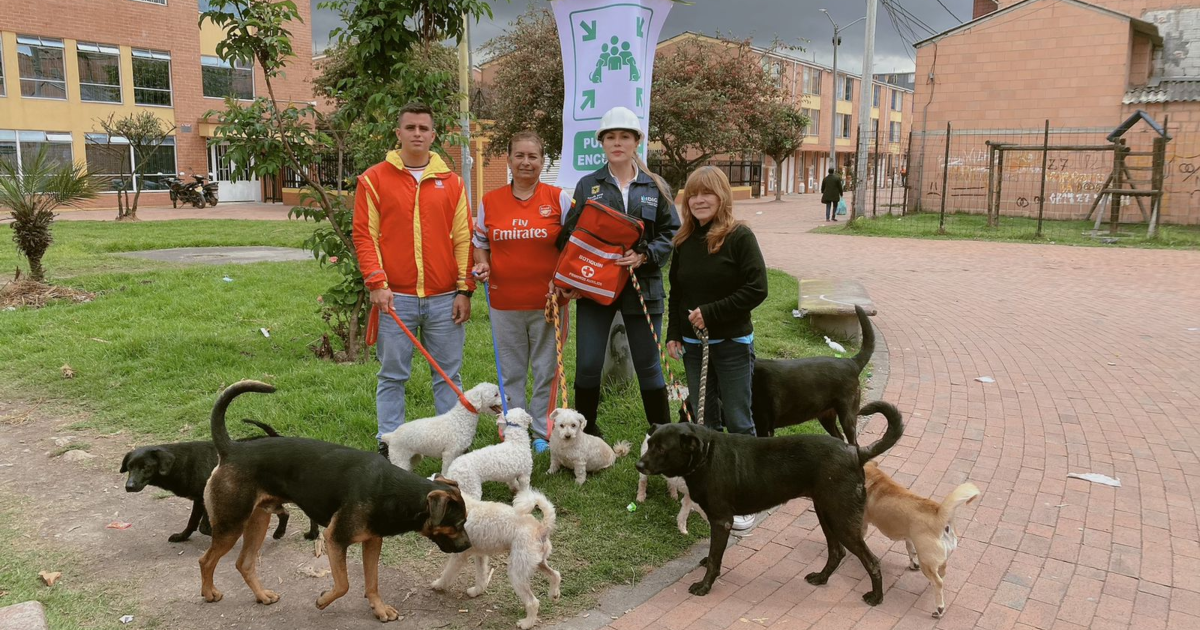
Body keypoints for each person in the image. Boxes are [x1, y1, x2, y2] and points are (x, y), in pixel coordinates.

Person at [352, 102, 474, 457]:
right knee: (392, 375)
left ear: (434, 135)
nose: (417, 133)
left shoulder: (451, 183)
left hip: (444, 298)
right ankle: (390, 443)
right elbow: (365, 235)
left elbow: (463, 237)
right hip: (395, 298)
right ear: (398, 133)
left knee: (447, 375)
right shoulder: (374, 179)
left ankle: (454, 446)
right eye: (410, 127)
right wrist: (377, 283)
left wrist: (465, 290)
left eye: (424, 128)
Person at [557, 106, 681, 438]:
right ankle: (586, 435)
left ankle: (661, 436)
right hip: (595, 289)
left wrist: (645, 255)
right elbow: (570, 237)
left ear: (636, 141)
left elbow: (672, 233)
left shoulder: (655, 185)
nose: (617, 142)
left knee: (648, 365)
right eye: (610, 136)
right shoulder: (587, 185)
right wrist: (573, 277)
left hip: (644, 287)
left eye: (624, 136)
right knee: (587, 364)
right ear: (601, 142)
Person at [666, 165, 768, 533]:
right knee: (704, 420)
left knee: (739, 420)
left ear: (722, 197)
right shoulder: (684, 241)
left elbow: (758, 288)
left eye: (706, 193)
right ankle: (713, 490)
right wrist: (673, 333)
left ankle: (748, 497)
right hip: (694, 348)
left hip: (731, 345)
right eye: (692, 194)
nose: (698, 200)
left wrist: (711, 313)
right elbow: (677, 292)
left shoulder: (739, 237)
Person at [471, 130, 572, 454]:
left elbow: (576, 246)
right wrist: (483, 265)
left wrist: (567, 285)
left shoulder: (559, 199)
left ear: (543, 161)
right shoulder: (491, 201)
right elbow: (480, 244)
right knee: (511, 372)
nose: (526, 162)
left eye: (533, 156)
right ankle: (513, 427)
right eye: (520, 156)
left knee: (546, 371)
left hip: (550, 305)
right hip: (504, 304)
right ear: (510, 160)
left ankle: (543, 433)